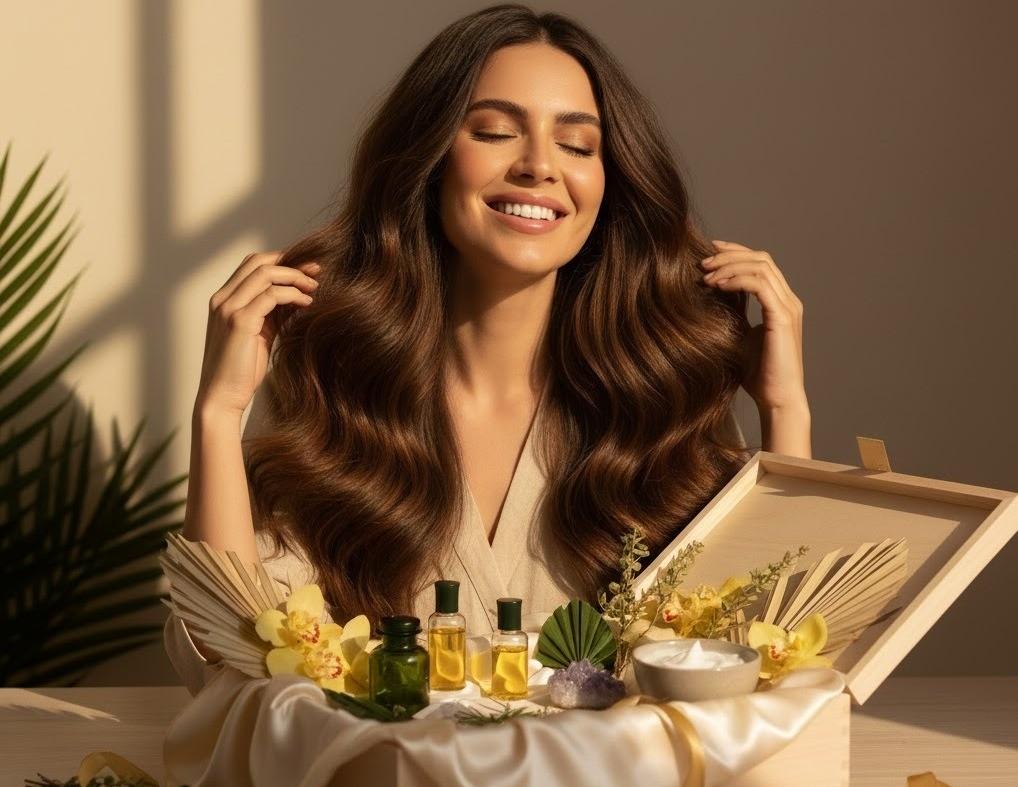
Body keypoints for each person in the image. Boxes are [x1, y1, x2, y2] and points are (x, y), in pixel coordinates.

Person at [164, 3, 809, 695]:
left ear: (609, 182)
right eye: (496, 131)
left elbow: (756, 660)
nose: (538, 166)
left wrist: (785, 408)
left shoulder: (657, 401)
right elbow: (228, 653)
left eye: (579, 145)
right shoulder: (343, 390)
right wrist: (218, 410)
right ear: (431, 157)